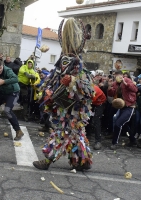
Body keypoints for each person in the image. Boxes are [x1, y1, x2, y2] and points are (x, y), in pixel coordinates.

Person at [33, 18, 93, 171]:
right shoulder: (65, 61)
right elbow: (54, 76)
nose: (65, 64)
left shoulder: (77, 64)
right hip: (65, 106)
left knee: (63, 132)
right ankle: (81, 162)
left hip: (72, 108)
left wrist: (72, 81)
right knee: (75, 133)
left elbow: (87, 89)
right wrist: (46, 90)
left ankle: (47, 161)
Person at [108, 70, 138, 150]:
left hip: (130, 106)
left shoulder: (127, 80)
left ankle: (114, 143)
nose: (116, 77)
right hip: (122, 107)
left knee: (118, 123)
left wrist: (126, 84)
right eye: (115, 75)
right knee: (124, 125)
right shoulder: (115, 83)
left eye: (117, 75)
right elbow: (111, 94)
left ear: (121, 75)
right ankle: (132, 140)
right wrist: (110, 87)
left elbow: (135, 89)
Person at [87, 85, 106, 150]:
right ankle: (88, 134)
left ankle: (98, 141)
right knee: (87, 117)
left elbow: (89, 100)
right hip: (93, 102)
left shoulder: (94, 90)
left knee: (96, 120)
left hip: (100, 103)